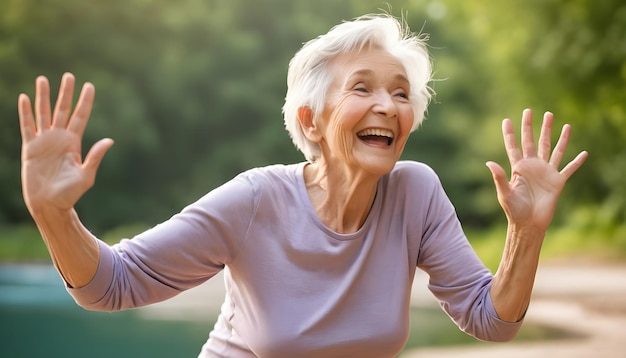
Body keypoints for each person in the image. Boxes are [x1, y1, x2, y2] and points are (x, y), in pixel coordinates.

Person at [18, 14, 587, 358]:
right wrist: (52, 214)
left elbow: (491, 319)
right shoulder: (256, 200)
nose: (388, 106)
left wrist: (526, 233)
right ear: (311, 120)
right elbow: (112, 285)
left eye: (401, 93)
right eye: (362, 88)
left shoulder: (416, 193)